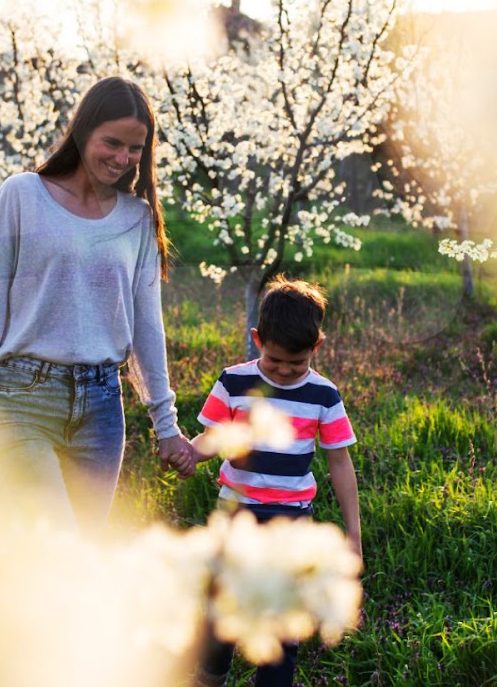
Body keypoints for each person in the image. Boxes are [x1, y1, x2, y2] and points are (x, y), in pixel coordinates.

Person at [0, 75, 194, 534]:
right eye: (112, 142)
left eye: (135, 148)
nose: (123, 158)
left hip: (103, 408)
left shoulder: (138, 218)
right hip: (23, 400)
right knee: (53, 548)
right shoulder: (22, 194)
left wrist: (166, 425)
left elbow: (146, 325)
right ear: (83, 131)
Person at [187, 276, 361, 687]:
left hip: (291, 521)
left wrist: (353, 533)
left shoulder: (324, 395)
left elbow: (339, 462)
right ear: (257, 338)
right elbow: (212, 438)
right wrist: (189, 452)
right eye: (274, 361)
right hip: (236, 515)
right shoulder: (234, 382)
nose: (284, 371)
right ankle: (211, 674)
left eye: (296, 364)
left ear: (316, 347)